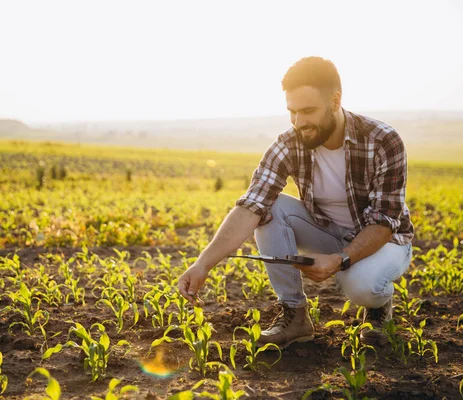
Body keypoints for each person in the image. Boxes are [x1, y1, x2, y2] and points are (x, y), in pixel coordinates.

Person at [177, 56, 414, 349]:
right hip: (327, 232)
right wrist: (202, 265)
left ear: (336, 101)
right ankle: (295, 316)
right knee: (268, 208)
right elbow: (250, 206)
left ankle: (378, 309)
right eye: (292, 112)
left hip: (384, 241)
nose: (299, 122)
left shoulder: (383, 140)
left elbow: (382, 224)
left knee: (364, 287)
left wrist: (340, 260)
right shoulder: (289, 143)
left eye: (308, 111)